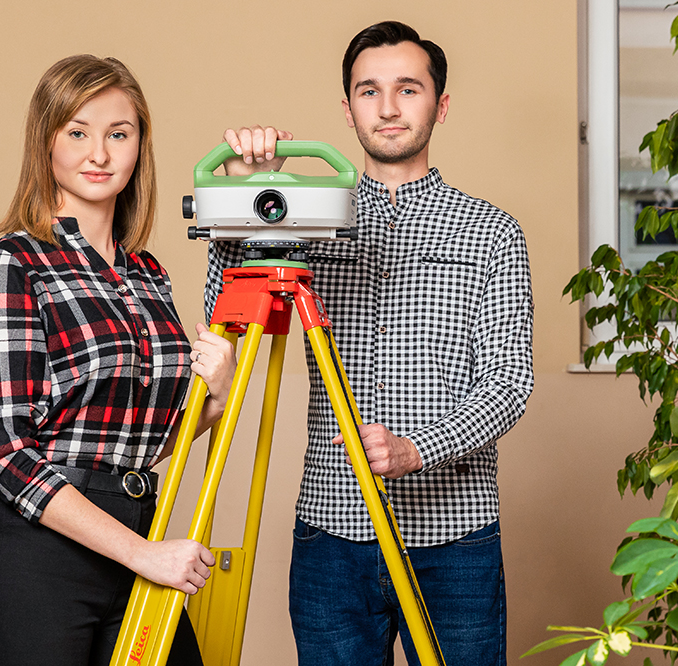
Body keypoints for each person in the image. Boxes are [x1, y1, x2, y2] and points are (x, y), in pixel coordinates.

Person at [204, 21, 534, 666]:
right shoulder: (308, 215)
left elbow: (510, 385)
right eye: (369, 91)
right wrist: (247, 192)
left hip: (454, 540)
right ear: (348, 108)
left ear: (440, 105)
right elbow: (226, 316)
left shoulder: (494, 232)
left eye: (407, 89)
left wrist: (418, 449)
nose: (387, 108)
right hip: (331, 537)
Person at [0, 54, 236, 666]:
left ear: (140, 145)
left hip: (139, 533)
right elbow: (2, 451)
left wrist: (212, 401)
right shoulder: (13, 265)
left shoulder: (147, 274)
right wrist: (143, 555)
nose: (100, 154)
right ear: (46, 142)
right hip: (39, 559)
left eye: (119, 133)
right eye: (77, 132)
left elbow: (136, 440)